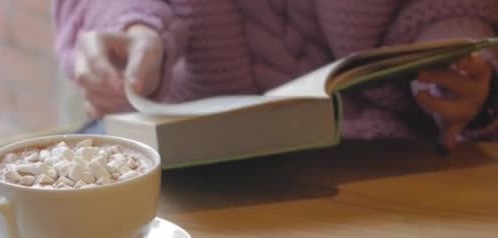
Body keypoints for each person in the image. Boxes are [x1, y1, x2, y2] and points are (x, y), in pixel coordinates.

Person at [52, 0, 498, 152]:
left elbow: (457, 9)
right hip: (184, 146)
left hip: (381, 151)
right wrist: (133, 28)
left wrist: (457, 50)